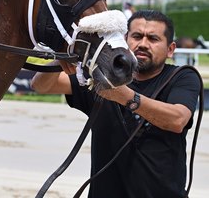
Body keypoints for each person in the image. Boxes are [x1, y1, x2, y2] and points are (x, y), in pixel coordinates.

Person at [31, 10, 201, 198]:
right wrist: (64, 53)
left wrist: (125, 97)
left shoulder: (182, 77)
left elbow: (177, 120)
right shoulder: (102, 75)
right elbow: (41, 86)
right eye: (137, 36)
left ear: (170, 49)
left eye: (153, 39)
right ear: (125, 40)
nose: (143, 44)